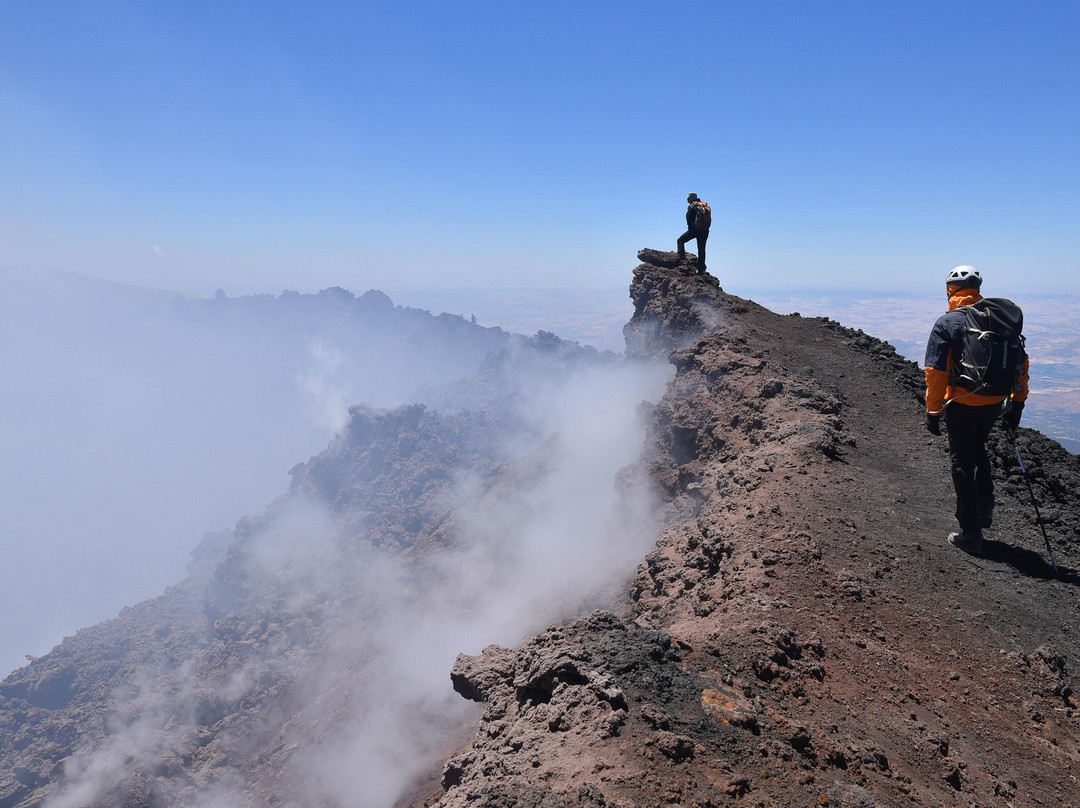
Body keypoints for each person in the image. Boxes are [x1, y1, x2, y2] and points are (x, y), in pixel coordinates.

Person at [923, 265, 1030, 555]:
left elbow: (935, 371)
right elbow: (1021, 362)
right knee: (978, 448)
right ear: (977, 288)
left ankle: (971, 533)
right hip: (994, 400)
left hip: (961, 402)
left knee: (961, 462)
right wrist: (1017, 403)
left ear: (950, 290)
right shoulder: (996, 319)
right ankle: (985, 505)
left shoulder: (948, 323)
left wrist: (932, 411)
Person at [677, 193, 711, 271]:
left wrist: (691, 229)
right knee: (701, 249)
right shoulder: (704, 205)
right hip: (705, 231)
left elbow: (688, 218)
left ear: (691, 199)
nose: (688, 201)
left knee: (680, 240)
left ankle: (682, 260)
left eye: (688, 199)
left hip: (695, 230)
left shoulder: (692, 206)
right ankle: (701, 268)